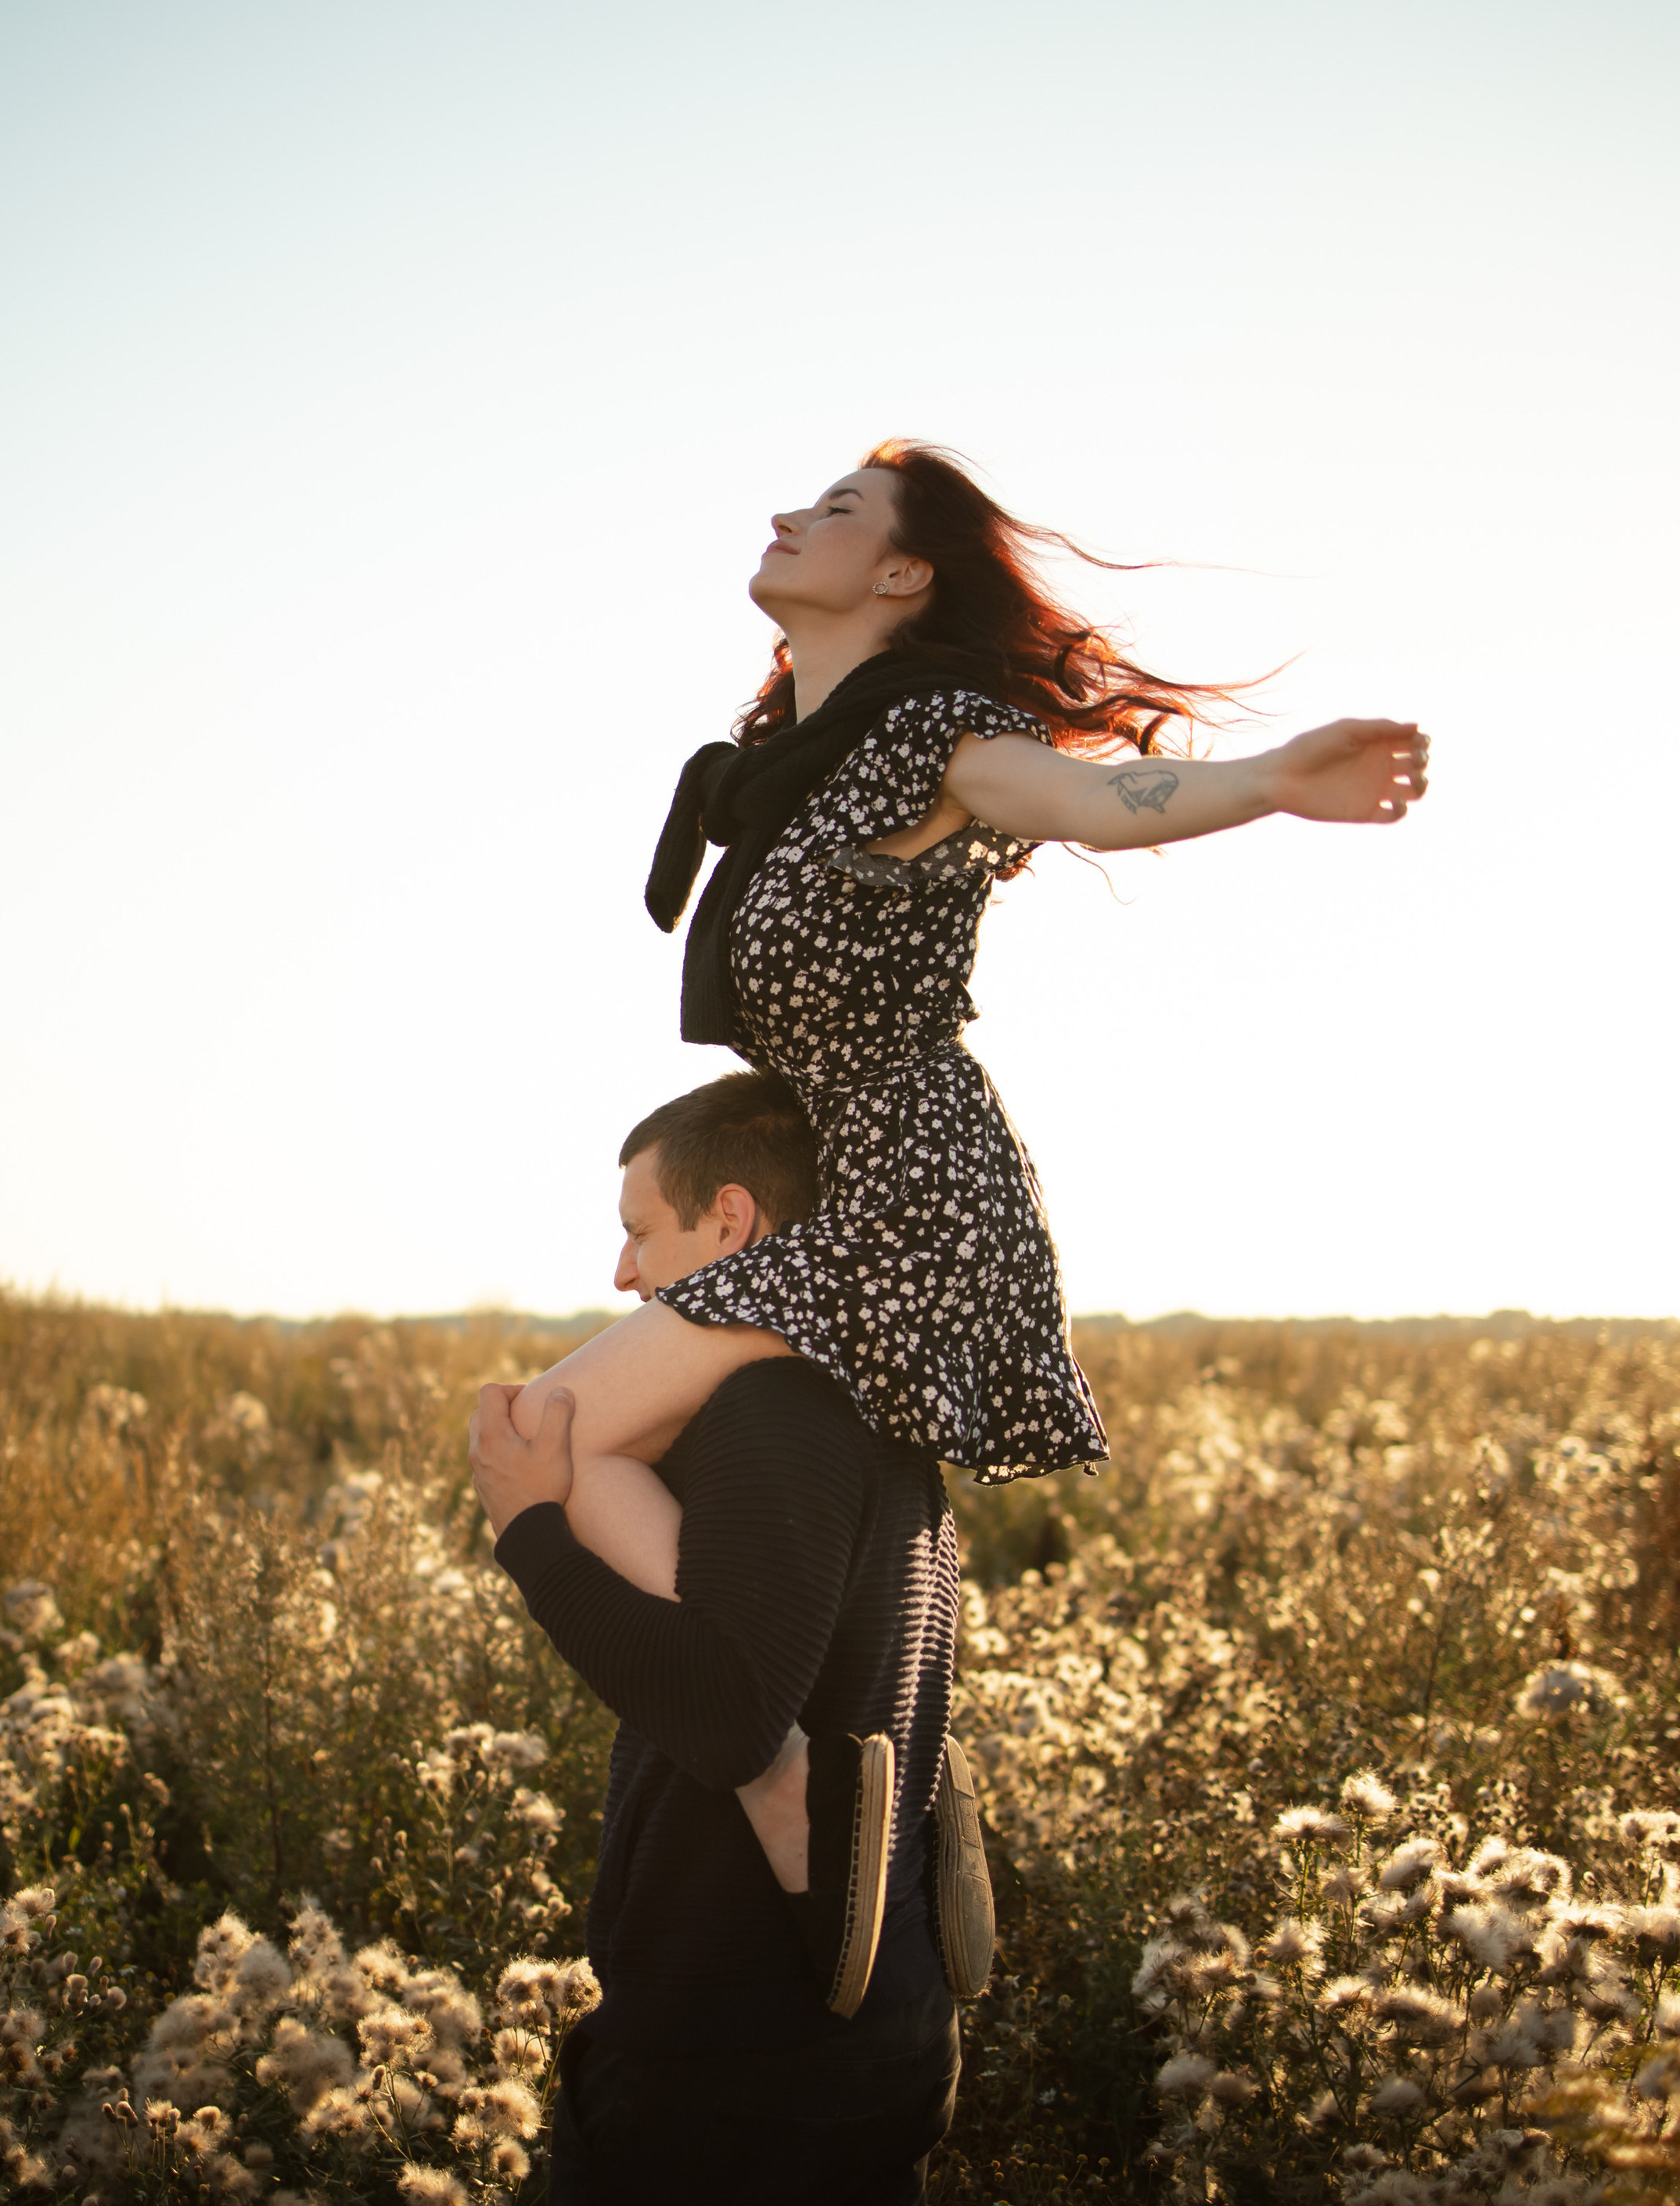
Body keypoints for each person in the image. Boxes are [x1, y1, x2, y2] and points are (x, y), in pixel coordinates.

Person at [498, 441, 1430, 1598]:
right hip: (833, 1184)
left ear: (903, 576)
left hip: (912, 1196)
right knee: (581, 1437)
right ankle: (767, 1699)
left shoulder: (940, 738)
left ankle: (763, 1730)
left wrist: (1266, 780)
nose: (789, 514)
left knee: (554, 1429)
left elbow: (1090, 798)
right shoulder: (781, 775)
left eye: (839, 509)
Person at [469, 1068, 966, 2206]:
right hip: (871, 2022)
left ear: (735, 1224)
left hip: (732, 2063)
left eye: (647, 1231)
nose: (622, 1272)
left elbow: (737, 1715)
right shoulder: (880, 1410)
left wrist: (534, 1541)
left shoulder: (777, 1419)